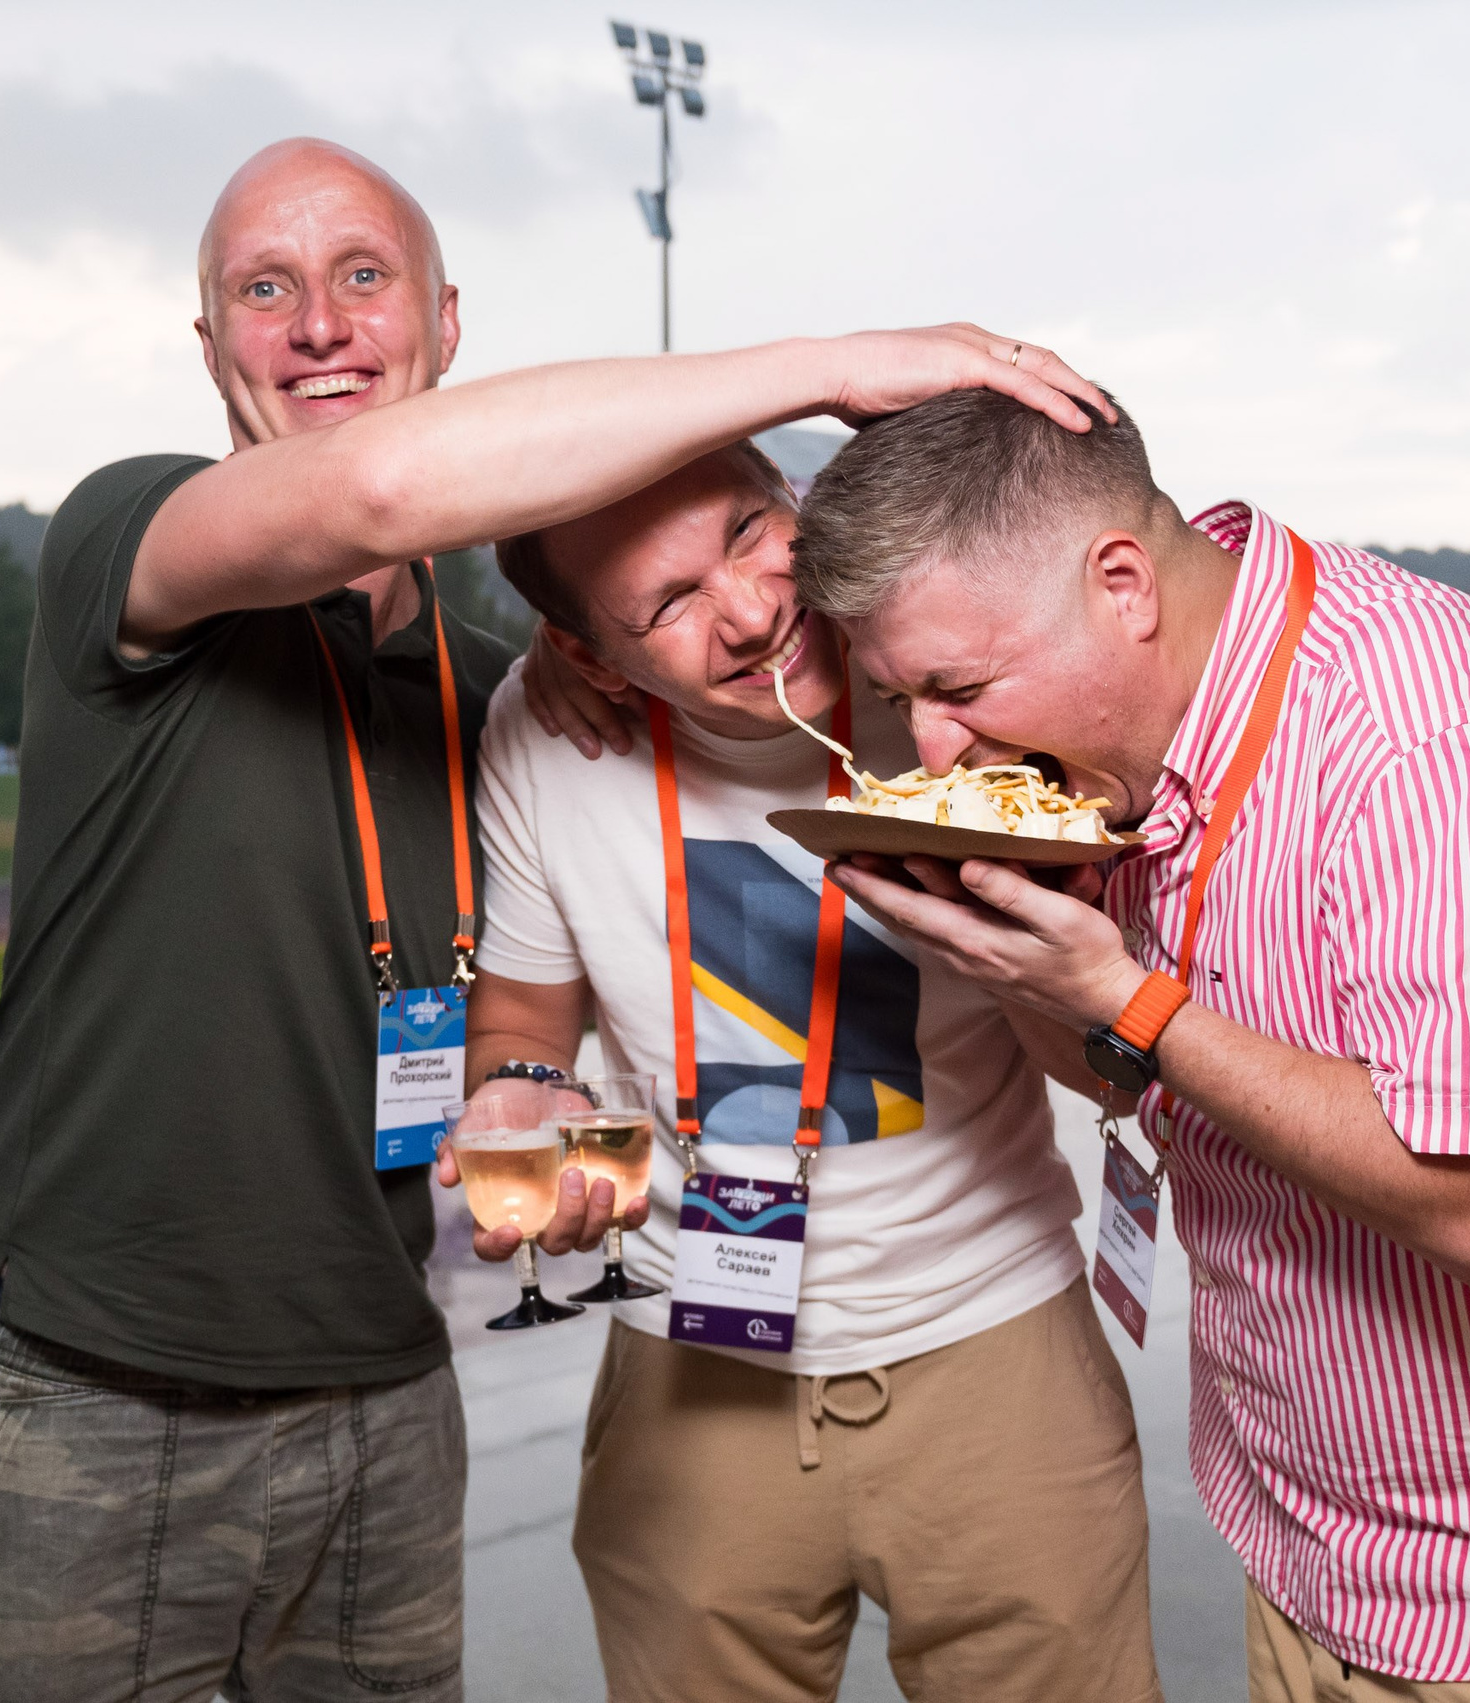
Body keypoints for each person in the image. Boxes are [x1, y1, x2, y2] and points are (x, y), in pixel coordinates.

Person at [0, 130, 1111, 1701]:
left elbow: (520, 993)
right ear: (209, 344)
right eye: (263, 290)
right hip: (100, 1371)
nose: (321, 323)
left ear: (446, 319)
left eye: (363, 276)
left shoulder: (510, 700)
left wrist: (524, 1092)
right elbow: (379, 488)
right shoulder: (127, 535)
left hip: (383, 1371)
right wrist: (843, 362)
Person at [791, 389, 1470, 1701]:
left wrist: (1125, 992)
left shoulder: (1423, 736)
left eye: (959, 686)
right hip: (1317, 1534)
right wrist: (1000, 944)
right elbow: (1124, 1068)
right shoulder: (1126, 745)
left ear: (1125, 581)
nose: (934, 740)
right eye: (905, 693)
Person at [433, 440, 1162, 1703]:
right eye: (665, 604)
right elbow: (520, 1021)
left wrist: (1021, 921)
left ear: (799, 499)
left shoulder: (951, 681)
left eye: (747, 529)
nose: (754, 607)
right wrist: (523, 1086)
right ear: (593, 659)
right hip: (690, 1357)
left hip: (993, 1343)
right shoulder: (546, 735)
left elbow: (1102, 1065)